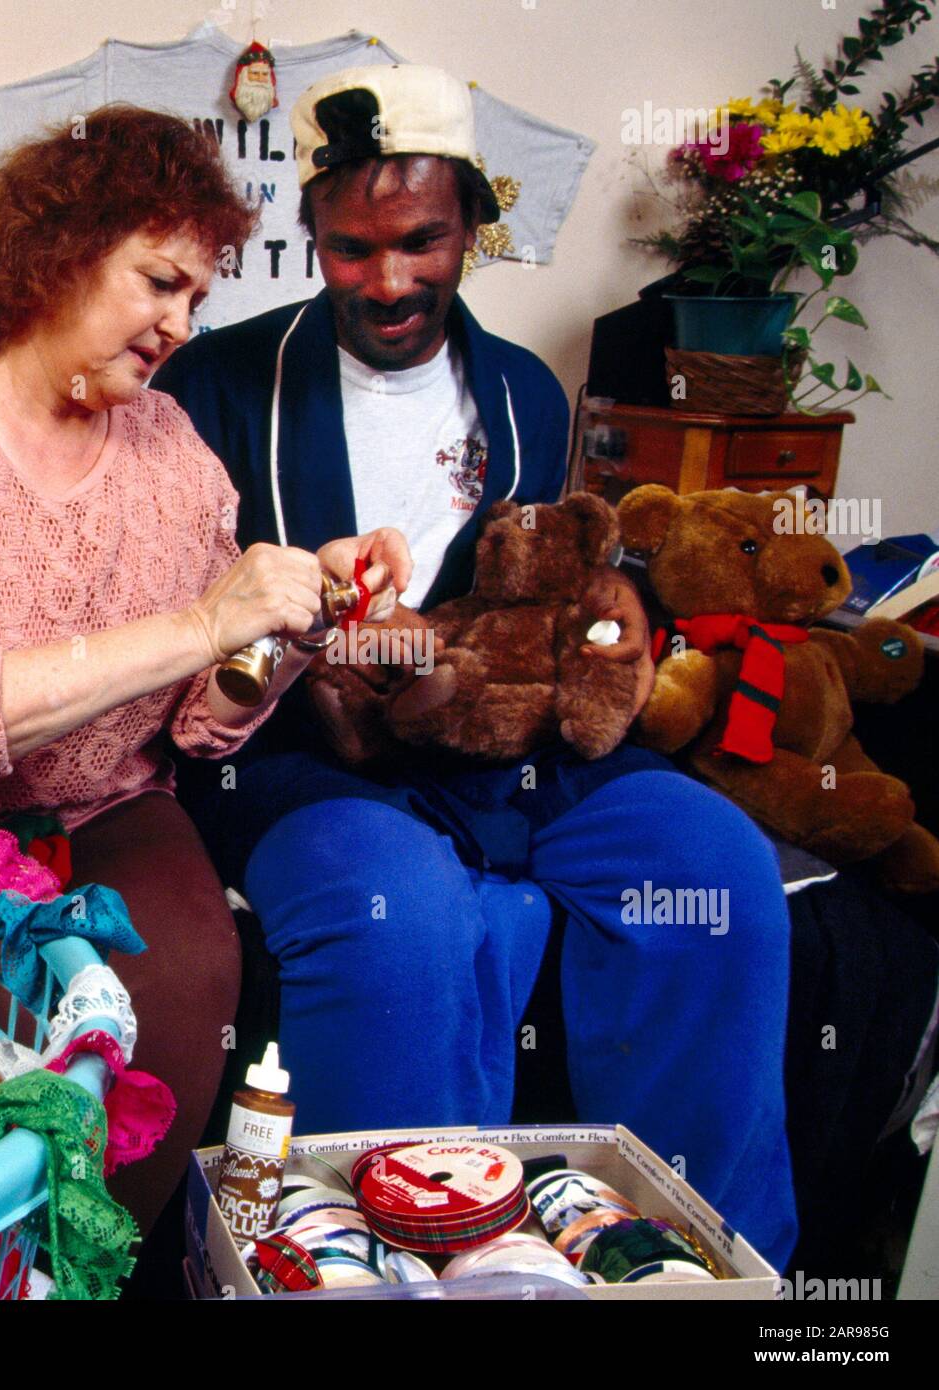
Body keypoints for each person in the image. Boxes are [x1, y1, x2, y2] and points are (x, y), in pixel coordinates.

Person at [153, 65, 799, 1270]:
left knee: (716, 869)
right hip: (303, 765)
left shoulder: (523, 393)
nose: (388, 280)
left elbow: (543, 596)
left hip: (508, 752)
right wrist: (303, 651)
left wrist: (609, 634)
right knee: (403, 923)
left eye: (420, 241)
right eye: (350, 249)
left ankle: (698, 1259)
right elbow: (176, 637)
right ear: (312, 234)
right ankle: (379, 1267)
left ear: (472, 228)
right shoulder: (214, 388)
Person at [0, 104, 405, 1236]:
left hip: (103, 808)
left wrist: (289, 628)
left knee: (183, 975)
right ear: (60, 252)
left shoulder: (172, 449)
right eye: (159, 282)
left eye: (199, 297)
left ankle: (114, 1265)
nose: (183, 322)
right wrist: (202, 618)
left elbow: (200, 723)